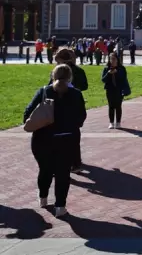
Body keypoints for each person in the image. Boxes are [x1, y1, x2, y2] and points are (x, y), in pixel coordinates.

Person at [24, 64, 87, 218]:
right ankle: (60, 206)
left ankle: (43, 198)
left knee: (45, 170)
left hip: (42, 140)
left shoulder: (44, 91)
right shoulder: (76, 94)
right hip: (66, 139)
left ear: (53, 75)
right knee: (62, 174)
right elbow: (81, 117)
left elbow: (27, 114)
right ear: (70, 77)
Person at [51, 48, 88, 172]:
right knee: (73, 138)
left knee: (58, 140)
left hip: (60, 110)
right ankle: (76, 163)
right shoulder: (79, 72)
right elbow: (85, 87)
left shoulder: (59, 72)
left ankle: (60, 164)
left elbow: (49, 88)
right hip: (73, 110)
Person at [101, 52, 129, 129]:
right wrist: (108, 74)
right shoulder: (106, 68)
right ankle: (111, 122)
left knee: (118, 106)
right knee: (111, 106)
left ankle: (118, 122)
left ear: (117, 60)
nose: (112, 61)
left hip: (119, 90)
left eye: (114, 59)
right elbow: (103, 80)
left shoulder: (122, 68)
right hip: (110, 90)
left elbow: (123, 79)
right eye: (111, 59)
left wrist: (117, 73)